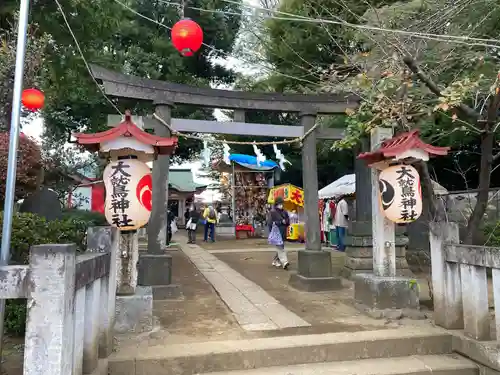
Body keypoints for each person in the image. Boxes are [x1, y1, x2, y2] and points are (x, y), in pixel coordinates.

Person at [267, 197, 290, 269]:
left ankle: (275, 260)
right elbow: (270, 223)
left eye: (282, 204)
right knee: (280, 247)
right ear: (276, 204)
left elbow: (288, 220)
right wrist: (280, 222)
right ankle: (284, 262)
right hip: (276, 232)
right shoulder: (273, 212)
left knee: (281, 247)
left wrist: (286, 222)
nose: (281, 205)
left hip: (283, 232)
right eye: (280, 204)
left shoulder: (285, 212)